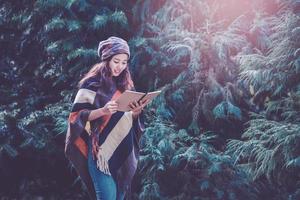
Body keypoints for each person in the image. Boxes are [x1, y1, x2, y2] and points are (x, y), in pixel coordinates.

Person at [65, 36, 149, 200]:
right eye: (116, 61)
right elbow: (77, 116)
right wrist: (102, 111)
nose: (120, 67)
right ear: (107, 59)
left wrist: (137, 111)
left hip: (122, 151)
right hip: (100, 154)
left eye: (124, 63)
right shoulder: (91, 84)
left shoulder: (125, 85)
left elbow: (127, 118)